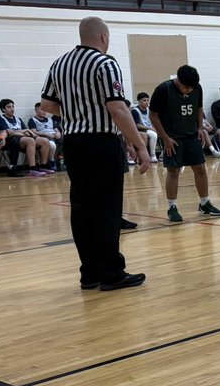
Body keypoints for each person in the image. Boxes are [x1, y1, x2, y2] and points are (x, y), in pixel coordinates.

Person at [40, 16, 150, 290]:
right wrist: (139, 144)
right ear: (103, 37)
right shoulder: (105, 62)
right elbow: (118, 108)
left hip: (73, 143)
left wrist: (78, 112)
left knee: (82, 208)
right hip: (101, 142)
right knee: (107, 209)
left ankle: (89, 273)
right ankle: (112, 273)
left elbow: (47, 104)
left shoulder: (60, 63)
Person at [148, 65, 220, 223]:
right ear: (178, 80)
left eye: (192, 88)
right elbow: (153, 115)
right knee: (173, 172)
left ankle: (204, 204)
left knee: (201, 169)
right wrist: (165, 138)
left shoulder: (197, 88)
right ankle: (172, 207)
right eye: (186, 87)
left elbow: (199, 108)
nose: (189, 91)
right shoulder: (163, 89)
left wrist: (199, 128)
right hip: (172, 138)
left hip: (191, 137)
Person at [0, 98, 52, 176]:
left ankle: (43, 165)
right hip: (10, 140)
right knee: (30, 140)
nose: (12, 109)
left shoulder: (18, 119)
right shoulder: (2, 119)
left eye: (13, 106)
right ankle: (32, 168)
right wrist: (24, 131)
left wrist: (25, 132)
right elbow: (10, 133)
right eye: (9, 107)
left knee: (45, 141)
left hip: (22, 138)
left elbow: (25, 130)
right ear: (3, 109)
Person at [27, 100, 61, 171]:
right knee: (52, 145)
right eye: (42, 110)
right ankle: (51, 160)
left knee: (69, 140)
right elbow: (33, 132)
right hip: (44, 137)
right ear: (36, 110)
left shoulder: (50, 119)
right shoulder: (32, 120)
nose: (44, 112)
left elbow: (56, 129)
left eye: (45, 110)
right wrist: (46, 134)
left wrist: (58, 133)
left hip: (54, 136)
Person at [130, 92, 159, 161]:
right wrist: (151, 128)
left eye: (147, 100)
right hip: (141, 129)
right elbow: (137, 125)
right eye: (144, 100)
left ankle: (162, 154)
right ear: (139, 101)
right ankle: (152, 155)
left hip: (150, 128)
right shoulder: (135, 111)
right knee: (153, 135)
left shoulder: (149, 110)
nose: (146, 102)